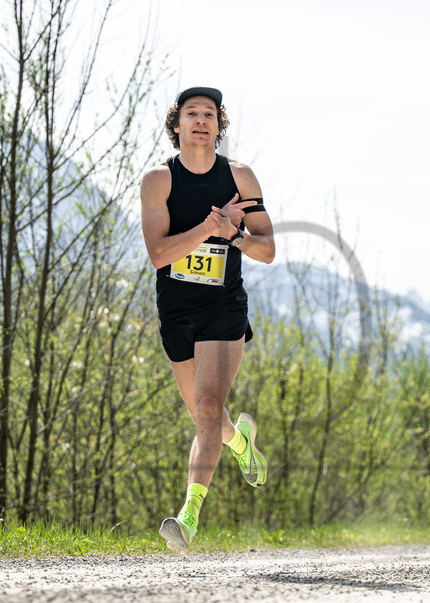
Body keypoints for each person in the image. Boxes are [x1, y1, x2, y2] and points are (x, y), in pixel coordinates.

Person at [140, 86, 275, 553]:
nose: (202, 120)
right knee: (205, 417)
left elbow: (268, 250)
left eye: (210, 114)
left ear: (220, 126)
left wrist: (234, 234)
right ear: (176, 125)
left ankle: (188, 517)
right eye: (192, 113)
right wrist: (208, 228)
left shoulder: (240, 177)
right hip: (176, 311)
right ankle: (241, 445)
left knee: (209, 408)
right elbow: (159, 255)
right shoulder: (159, 180)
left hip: (223, 306)